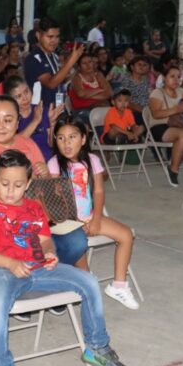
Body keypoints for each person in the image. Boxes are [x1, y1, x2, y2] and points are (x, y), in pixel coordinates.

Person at [0, 149, 128, 366]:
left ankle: (96, 347)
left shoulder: (34, 208)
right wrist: (10, 263)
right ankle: (0, 364)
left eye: (18, 185)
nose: (11, 191)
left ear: (28, 184)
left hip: (39, 267)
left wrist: (49, 253)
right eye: (5, 184)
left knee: (89, 281)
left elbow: (45, 240)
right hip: (3, 270)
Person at [0, 95, 89, 268]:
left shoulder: (27, 143)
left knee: (77, 241)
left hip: (38, 220)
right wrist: (21, 178)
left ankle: (43, 269)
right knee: (38, 250)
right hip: (2, 225)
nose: (0, 126)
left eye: (8, 120)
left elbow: (45, 188)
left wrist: (44, 174)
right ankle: (37, 269)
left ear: (17, 123)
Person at [50, 115, 138, 310]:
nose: (66, 143)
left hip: (90, 216)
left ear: (83, 139)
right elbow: (55, 201)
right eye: (61, 138)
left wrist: (96, 218)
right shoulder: (54, 164)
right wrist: (76, 223)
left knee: (126, 235)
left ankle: (119, 285)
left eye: (72, 137)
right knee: (79, 251)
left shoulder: (92, 160)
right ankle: (83, 281)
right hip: (68, 223)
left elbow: (98, 191)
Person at [24, 17, 84, 159]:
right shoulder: (34, 58)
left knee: (63, 152)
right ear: (38, 35)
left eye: (57, 37)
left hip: (57, 109)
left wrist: (72, 72)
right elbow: (51, 83)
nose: (54, 41)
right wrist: (71, 61)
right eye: (50, 37)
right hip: (42, 112)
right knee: (47, 154)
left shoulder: (54, 57)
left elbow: (59, 81)